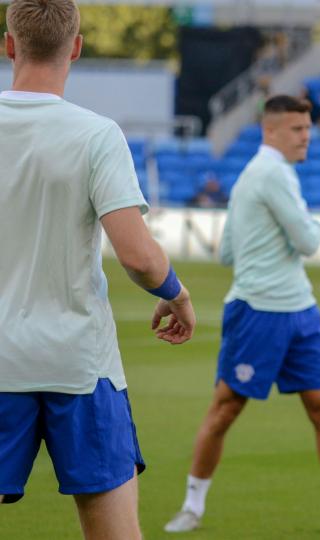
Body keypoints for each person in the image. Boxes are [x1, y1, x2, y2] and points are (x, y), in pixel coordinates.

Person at [0, 1, 197, 538]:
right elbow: (138, 256)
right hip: (78, 366)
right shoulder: (95, 134)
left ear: (10, 45)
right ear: (76, 48)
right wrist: (177, 294)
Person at [163, 95, 320, 537]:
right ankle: (191, 506)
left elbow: (226, 253)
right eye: (298, 129)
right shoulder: (272, 173)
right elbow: (310, 241)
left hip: (298, 307)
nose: (306, 137)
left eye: (308, 129)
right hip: (259, 309)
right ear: (270, 130)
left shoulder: (252, 176)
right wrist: (305, 228)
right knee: (231, 407)